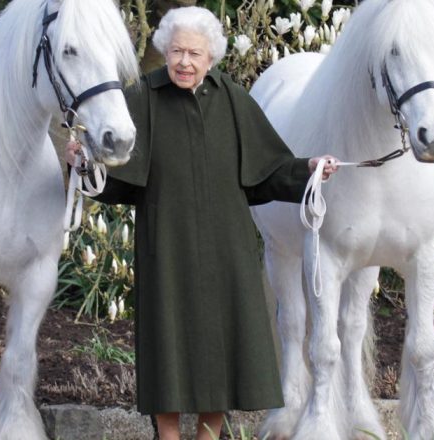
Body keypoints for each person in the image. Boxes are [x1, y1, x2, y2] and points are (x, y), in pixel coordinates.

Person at [66, 6, 338, 440]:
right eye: (176, 51)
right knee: (167, 350)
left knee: (223, 348)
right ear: (165, 51)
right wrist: (84, 166)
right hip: (166, 249)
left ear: (211, 56)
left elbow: (268, 170)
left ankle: (209, 436)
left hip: (226, 251)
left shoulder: (231, 98)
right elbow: (115, 181)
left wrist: (310, 169)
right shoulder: (145, 98)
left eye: (194, 53)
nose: (184, 62)